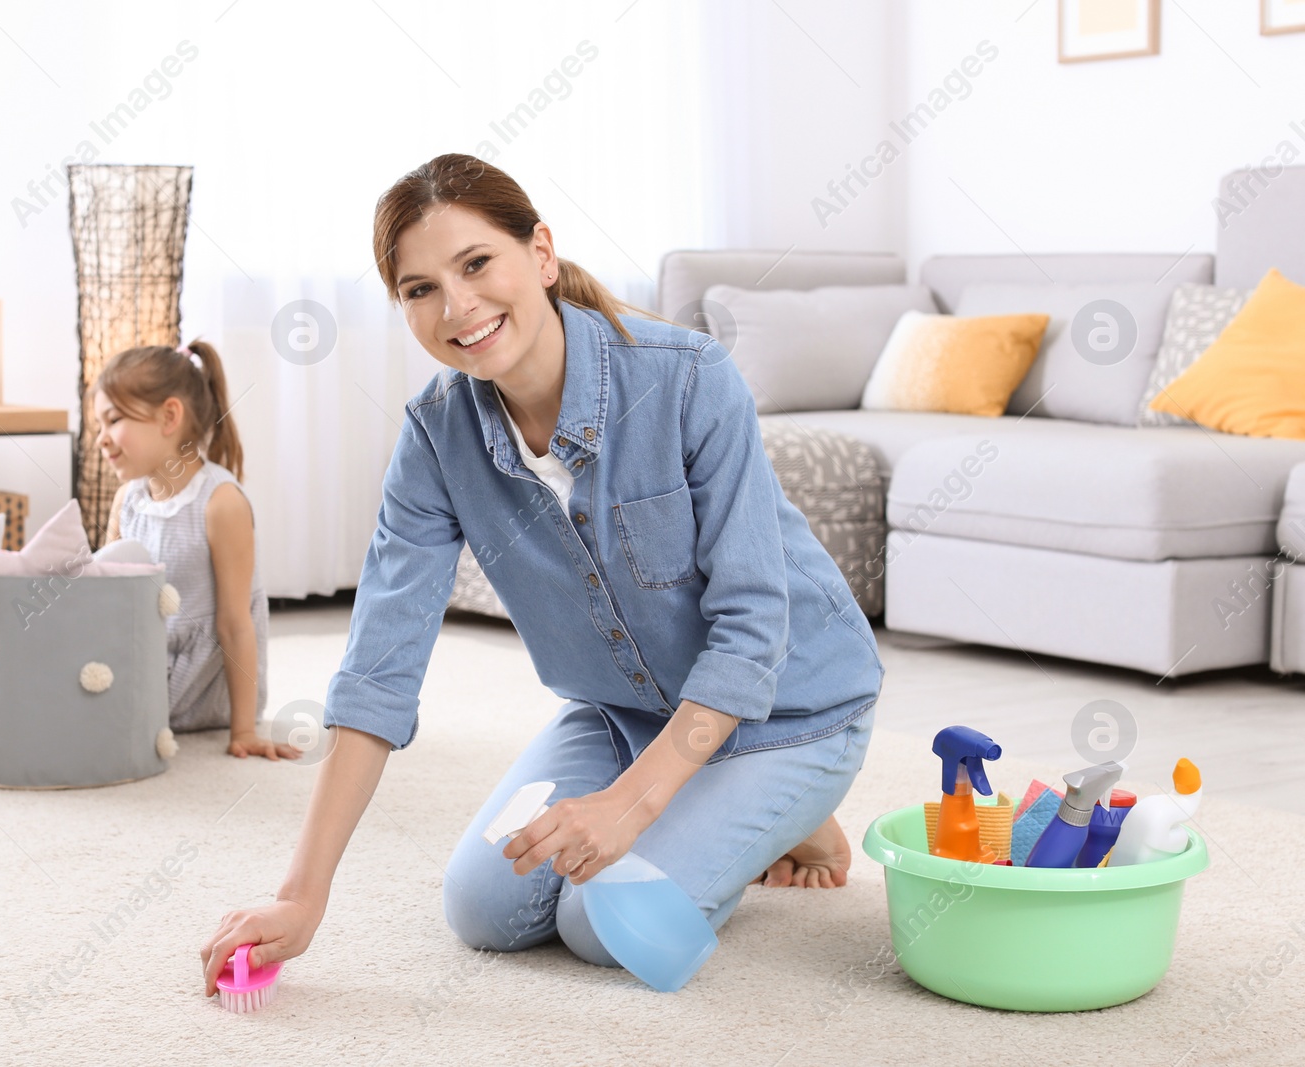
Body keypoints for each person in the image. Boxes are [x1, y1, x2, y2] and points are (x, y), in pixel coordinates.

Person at [201, 154, 883, 991]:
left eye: (477, 263)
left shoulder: (690, 378)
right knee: (482, 910)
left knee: (598, 922)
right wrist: (301, 898)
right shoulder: (434, 439)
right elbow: (378, 669)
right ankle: (728, 813)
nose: (458, 307)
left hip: (791, 709)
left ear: (543, 254)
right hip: (623, 712)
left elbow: (752, 627)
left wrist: (633, 806)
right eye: (419, 289)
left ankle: (789, 814)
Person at [93, 339, 298, 759]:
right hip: (143, 662)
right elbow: (104, 599)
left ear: (169, 416)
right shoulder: (128, 500)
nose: (101, 439)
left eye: (112, 421)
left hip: (199, 685)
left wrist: (244, 730)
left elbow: (237, 625)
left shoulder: (221, 503)